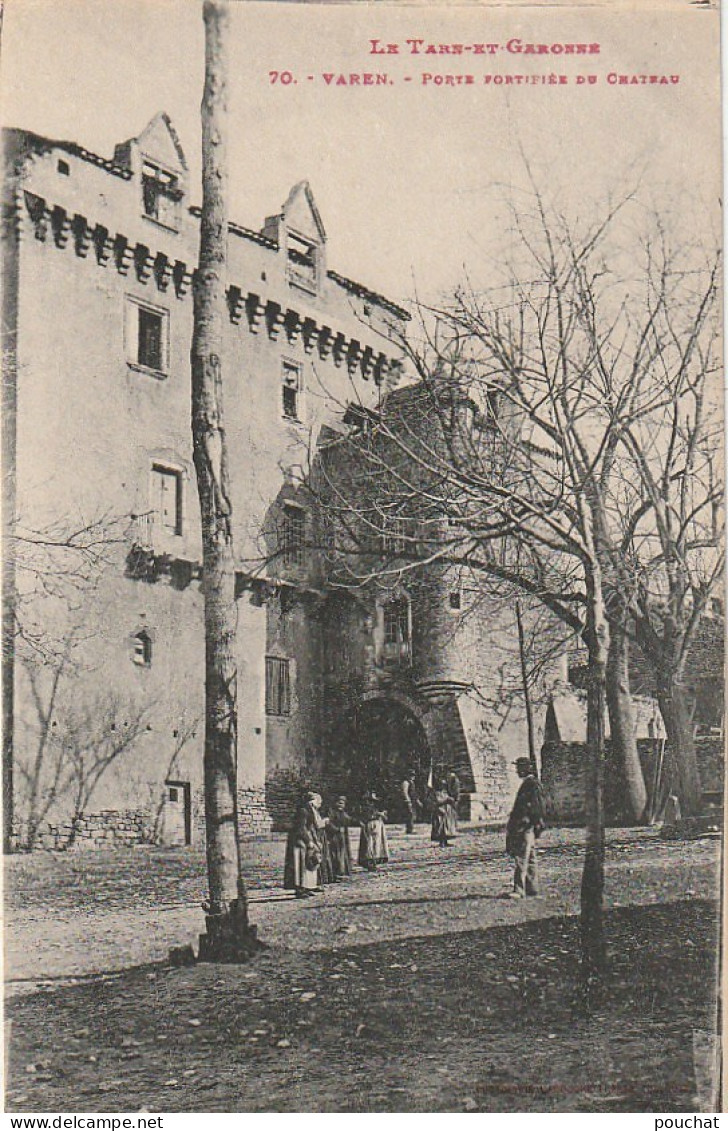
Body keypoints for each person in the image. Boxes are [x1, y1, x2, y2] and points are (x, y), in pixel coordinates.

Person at [505, 757, 546, 898]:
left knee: (521, 858)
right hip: (527, 826)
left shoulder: (531, 784)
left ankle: (519, 890)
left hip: (524, 826)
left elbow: (536, 807)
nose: (517, 771)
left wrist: (530, 823)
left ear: (525, 768)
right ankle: (532, 888)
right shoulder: (530, 783)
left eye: (519, 768)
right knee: (531, 858)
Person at [283, 791, 322, 898]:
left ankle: (306, 887)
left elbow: (311, 827)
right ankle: (299, 889)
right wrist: (308, 840)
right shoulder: (303, 811)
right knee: (299, 864)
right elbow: (301, 828)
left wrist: (315, 840)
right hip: (298, 840)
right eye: (314, 800)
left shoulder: (310, 811)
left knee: (306, 864)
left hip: (306, 838)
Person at [358, 792, 389, 872]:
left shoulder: (375, 808)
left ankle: (375, 860)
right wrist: (378, 814)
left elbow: (385, 817)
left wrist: (381, 815)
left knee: (377, 844)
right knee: (370, 844)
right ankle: (370, 861)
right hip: (371, 825)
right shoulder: (365, 809)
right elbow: (368, 816)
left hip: (377, 824)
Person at [326, 795, 355, 879]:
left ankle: (343, 870)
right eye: (339, 803)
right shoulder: (331, 811)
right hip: (334, 836)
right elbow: (328, 823)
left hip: (342, 836)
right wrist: (336, 829)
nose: (340, 805)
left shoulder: (343, 813)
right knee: (335, 853)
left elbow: (349, 820)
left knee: (343, 852)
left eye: (342, 804)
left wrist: (357, 821)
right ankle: (335, 872)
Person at [430, 780, 456, 847]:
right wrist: (446, 800)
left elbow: (447, 798)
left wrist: (451, 800)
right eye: (442, 785)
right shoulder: (436, 793)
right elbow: (437, 801)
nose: (443, 786)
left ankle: (446, 841)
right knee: (440, 827)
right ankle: (441, 842)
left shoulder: (444, 792)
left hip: (447, 811)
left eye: (444, 785)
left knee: (446, 827)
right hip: (439, 811)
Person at [445, 769, 461, 838]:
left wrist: (453, 798)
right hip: (452, 799)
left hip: (453, 799)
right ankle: (451, 830)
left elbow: (455, 791)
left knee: (452, 815)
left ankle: (452, 830)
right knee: (451, 815)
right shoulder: (452, 780)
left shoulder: (454, 780)